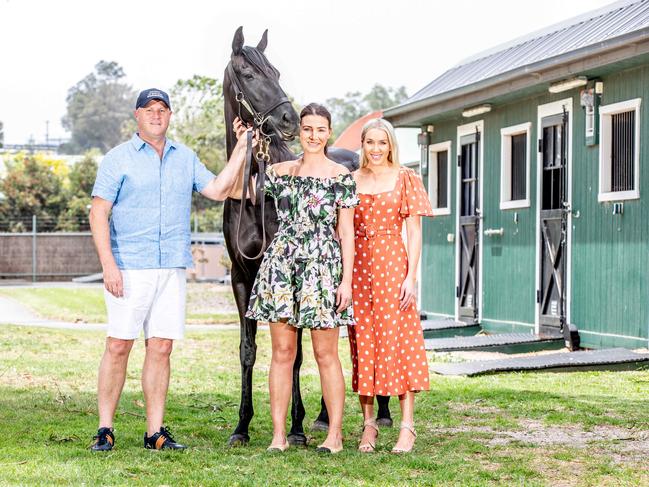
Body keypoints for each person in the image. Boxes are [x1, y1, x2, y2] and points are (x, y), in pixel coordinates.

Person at [88, 88, 254, 451]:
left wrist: (242, 147)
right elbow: (98, 212)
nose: (156, 114)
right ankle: (104, 429)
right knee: (119, 345)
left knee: (161, 347)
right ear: (137, 115)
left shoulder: (185, 157)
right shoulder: (118, 159)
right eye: (149, 109)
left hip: (172, 266)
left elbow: (217, 189)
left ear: (169, 115)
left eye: (162, 109)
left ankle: (155, 432)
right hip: (130, 266)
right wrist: (108, 265)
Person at [246, 103, 358, 454]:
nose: (313, 136)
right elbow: (239, 190)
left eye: (320, 129)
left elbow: (347, 232)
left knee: (326, 354)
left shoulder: (341, 175)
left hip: (323, 266)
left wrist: (347, 282)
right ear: (299, 131)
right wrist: (243, 146)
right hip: (282, 266)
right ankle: (278, 435)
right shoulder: (279, 172)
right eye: (307, 129)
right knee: (281, 352)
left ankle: (334, 434)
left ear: (329, 133)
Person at [348, 118, 433, 454]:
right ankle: (368, 425)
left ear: (391, 145)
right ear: (363, 145)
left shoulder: (405, 178)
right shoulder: (351, 180)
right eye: (370, 142)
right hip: (358, 271)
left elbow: (414, 232)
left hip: (392, 266)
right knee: (363, 344)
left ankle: (407, 426)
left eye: (382, 142)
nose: (376, 149)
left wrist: (411, 277)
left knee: (398, 343)